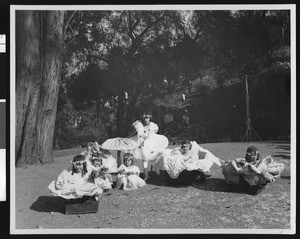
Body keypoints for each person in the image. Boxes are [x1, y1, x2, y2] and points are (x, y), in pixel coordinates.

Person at [154, 140, 221, 181]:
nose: (185, 148)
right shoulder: (178, 151)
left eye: (187, 147)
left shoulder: (191, 152)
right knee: (178, 162)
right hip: (181, 165)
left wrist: (189, 160)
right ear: (182, 147)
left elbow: (194, 159)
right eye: (184, 147)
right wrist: (183, 159)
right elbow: (174, 157)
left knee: (196, 164)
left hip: (188, 165)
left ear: (189, 147)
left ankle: (199, 175)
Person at [130, 112, 169, 181]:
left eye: (147, 118)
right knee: (145, 160)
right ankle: (146, 175)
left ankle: (158, 170)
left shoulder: (153, 125)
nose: (145, 120)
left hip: (152, 143)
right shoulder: (139, 125)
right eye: (144, 118)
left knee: (159, 155)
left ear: (150, 118)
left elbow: (154, 133)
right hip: (144, 145)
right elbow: (137, 135)